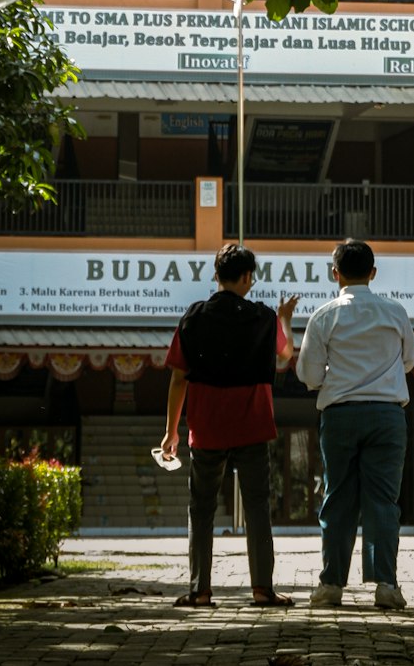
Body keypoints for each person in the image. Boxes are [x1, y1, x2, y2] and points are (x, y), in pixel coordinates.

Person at [161, 242, 298, 607]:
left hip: (206, 426)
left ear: (216, 276)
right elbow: (286, 353)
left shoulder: (193, 316)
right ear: (248, 277)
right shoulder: (264, 318)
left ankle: (200, 591)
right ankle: (262, 589)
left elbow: (178, 379)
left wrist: (171, 430)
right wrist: (285, 317)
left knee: (201, 507)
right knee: (256, 506)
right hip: (253, 423)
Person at [296, 239, 414, 610]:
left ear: (335, 274)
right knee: (383, 501)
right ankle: (386, 586)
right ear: (373, 273)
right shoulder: (395, 312)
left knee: (338, 498)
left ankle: (331, 585)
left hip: (340, 416)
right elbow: (409, 362)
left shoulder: (324, 316)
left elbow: (310, 376)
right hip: (387, 416)